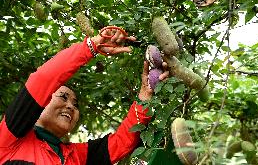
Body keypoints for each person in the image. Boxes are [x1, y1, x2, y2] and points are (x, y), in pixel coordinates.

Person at [0, 28, 169, 165]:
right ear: (42, 102)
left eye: (75, 104)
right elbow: (43, 80)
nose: (71, 107)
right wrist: (91, 46)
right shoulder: (10, 139)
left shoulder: (78, 157)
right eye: (63, 97)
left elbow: (120, 142)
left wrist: (145, 97)